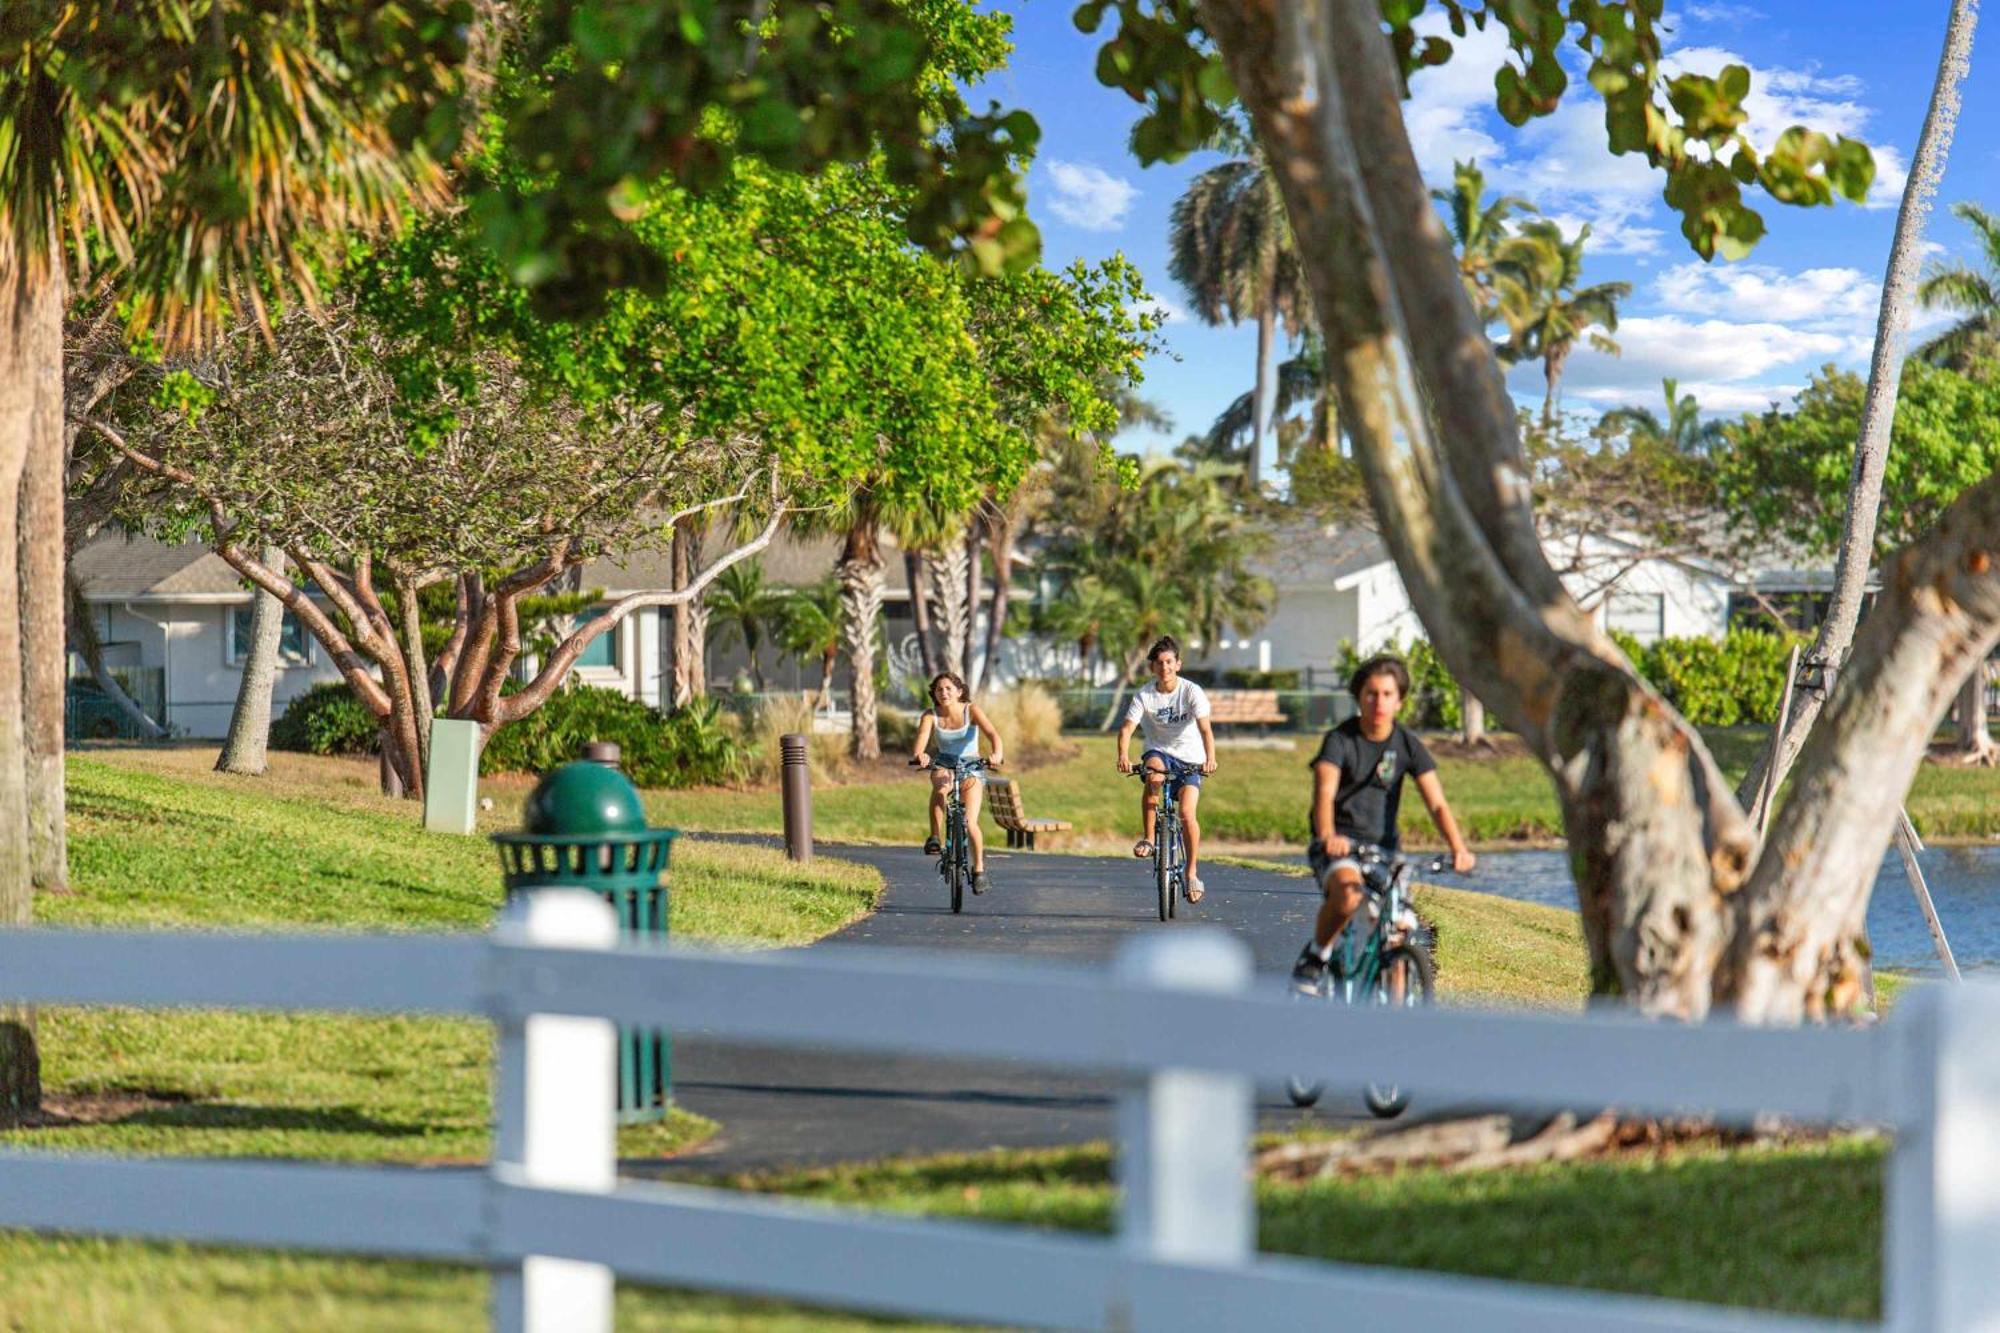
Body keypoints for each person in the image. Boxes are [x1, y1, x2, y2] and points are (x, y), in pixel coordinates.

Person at [1292, 653, 1476, 989]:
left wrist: (1458, 848)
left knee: (1400, 931)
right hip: (1339, 845)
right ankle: (1316, 956)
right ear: (1360, 697)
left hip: (1386, 851)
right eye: (1371, 693)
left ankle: (1395, 1022)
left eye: (1388, 694)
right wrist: (1328, 835)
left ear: (1400, 701)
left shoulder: (1407, 743)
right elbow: (1324, 795)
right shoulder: (1340, 740)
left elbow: (1436, 802)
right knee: (1348, 896)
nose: (1379, 702)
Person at [1115, 635, 1217, 902]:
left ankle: (1191, 872)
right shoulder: (1145, 695)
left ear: (1178, 664)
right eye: (1159, 663)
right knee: (1153, 775)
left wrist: (1210, 758)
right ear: (1152, 667)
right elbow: (1126, 729)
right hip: (1158, 751)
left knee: (1186, 813)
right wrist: (1123, 755)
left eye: (1169, 662)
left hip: (1190, 758)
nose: (1165, 667)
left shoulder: (1191, 691)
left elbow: (1205, 729)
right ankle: (1149, 837)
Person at [911, 671, 1004, 893]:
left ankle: (979, 870)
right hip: (944, 763)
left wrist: (997, 754)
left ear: (959, 692)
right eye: (939, 689)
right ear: (934, 693)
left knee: (970, 822)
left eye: (948, 689)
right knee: (940, 788)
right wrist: (921, 756)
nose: (943, 693)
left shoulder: (971, 710)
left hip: (971, 766)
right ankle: (935, 837)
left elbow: (993, 734)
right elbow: (920, 744)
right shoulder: (930, 715)